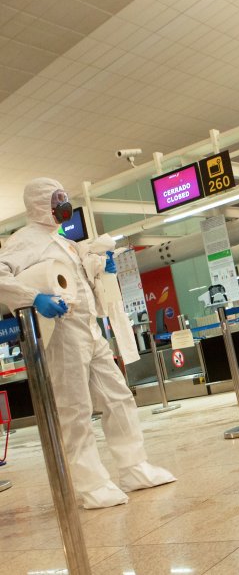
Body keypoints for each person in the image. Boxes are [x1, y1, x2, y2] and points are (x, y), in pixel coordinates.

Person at [0, 178, 175, 509]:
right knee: (75, 409)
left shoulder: (63, 241)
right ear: (39, 202)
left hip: (90, 329)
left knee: (118, 397)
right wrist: (33, 297)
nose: (63, 204)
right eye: (57, 198)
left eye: (64, 197)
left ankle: (134, 468)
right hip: (63, 331)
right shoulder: (24, 240)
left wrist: (98, 268)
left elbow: (76, 279)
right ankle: (91, 484)